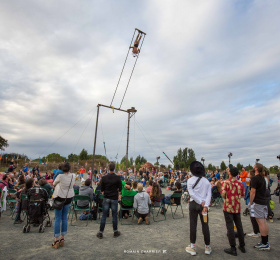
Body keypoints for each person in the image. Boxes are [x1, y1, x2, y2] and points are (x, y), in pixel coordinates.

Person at [186, 161, 212, 256]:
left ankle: (192, 246)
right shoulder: (206, 181)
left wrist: (200, 202)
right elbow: (209, 194)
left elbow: (191, 194)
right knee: (205, 225)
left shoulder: (190, 180)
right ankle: (207, 246)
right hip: (203, 205)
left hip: (194, 203)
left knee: (193, 225)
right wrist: (205, 205)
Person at [221, 165, 245, 256]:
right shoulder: (240, 183)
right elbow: (242, 195)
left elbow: (223, 194)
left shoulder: (226, 182)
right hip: (237, 207)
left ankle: (233, 248)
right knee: (239, 226)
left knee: (230, 227)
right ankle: (242, 245)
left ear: (230, 172)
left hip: (228, 207)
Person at [96, 162, 122, 239]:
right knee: (114, 215)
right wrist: (118, 195)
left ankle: (101, 232)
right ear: (114, 168)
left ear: (108, 168)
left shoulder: (104, 178)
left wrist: (104, 194)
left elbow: (102, 189)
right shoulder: (118, 178)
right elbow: (120, 189)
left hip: (106, 197)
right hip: (114, 198)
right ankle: (115, 231)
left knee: (104, 215)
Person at [52, 162, 75, 249]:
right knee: (64, 218)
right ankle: (62, 238)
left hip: (60, 197)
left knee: (57, 218)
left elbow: (54, 183)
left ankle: (56, 239)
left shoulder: (60, 176)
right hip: (68, 197)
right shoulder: (73, 176)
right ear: (69, 169)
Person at [248, 163, 270, 251]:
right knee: (264, 221)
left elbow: (252, 192)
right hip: (263, 201)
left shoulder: (255, 178)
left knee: (260, 222)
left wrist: (250, 202)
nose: (252, 167)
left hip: (258, 202)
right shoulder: (263, 178)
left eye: (254, 166)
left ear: (256, 168)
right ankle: (265, 241)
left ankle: (265, 243)